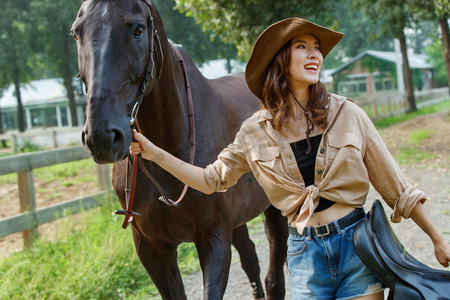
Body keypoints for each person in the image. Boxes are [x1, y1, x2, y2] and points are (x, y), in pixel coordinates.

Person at [130, 17, 450, 299]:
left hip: (356, 247)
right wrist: (155, 153)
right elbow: (211, 179)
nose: (315, 53)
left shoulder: (348, 114)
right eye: (302, 46)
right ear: (280, 59)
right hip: (304, 255)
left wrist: (438, 240)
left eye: (317, 48)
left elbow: (397, 188)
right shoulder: (254, 132)